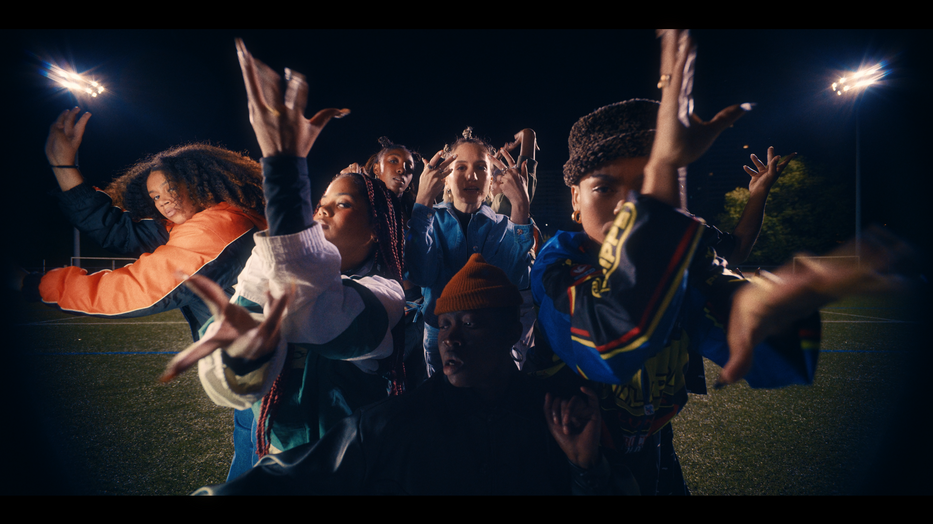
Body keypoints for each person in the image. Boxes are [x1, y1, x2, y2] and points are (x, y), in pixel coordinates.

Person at [528, 29, 907, 495]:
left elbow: (762, 352)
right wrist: (665, 169)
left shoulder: (685, 259)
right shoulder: (556, 264)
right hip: (558, 459)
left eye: (646, 187)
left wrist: (773, 305)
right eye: (605, 188)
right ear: (574, 199)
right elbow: (609, 344)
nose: (629, 208)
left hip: (651, 451)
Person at [192, 253, 640, 495]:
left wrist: (588, 471)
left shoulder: (558, 413)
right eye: (444, 324)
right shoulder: (394, 423)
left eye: (470, 322)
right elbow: (292, 477)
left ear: (511, 329)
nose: (451, 339)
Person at [161, 39, 408, 471]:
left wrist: (285, 169)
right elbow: (233, 388)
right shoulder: (267, 264)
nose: (323, 209)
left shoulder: (386, 293)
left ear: (375, 233)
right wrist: (243, 354)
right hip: (265, 463)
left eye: (344, 203)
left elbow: (326, 320)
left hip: (349, 472)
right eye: (321, 200)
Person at [37, 107, 267, 341]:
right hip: (259, 357)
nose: (163, 200)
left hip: (267, 363)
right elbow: (117, 231)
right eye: (155, 196)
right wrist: (63, 166)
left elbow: (138, 290)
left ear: (198, 185)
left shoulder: (218, 228)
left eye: (171, 188)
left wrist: (37, 284)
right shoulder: (186, 225)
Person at [408, 126, 535, 376]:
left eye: (481, 167)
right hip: (438, 332)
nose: (472, 176)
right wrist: (421, 203)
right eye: (461, 167)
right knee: (444, 401)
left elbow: (516, 280)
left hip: (490, 334)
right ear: (446, 176)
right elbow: (421, 275)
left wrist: (521, 206)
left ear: (491, 178)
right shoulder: (429, 221)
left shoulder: (502, 225)